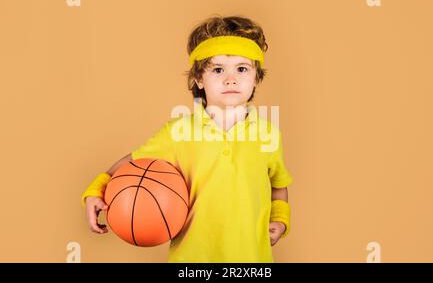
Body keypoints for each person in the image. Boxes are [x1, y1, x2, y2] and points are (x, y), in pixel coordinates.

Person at [81, 16, 293, 262]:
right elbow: (130, 162)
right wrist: (95, 190)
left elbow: (278, 186)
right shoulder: (177, 132)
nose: (230, 78)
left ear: (256, 77)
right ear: (199, 79)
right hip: (191, 260)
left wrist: (280, 220)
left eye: (242, 69)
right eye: (217, 69)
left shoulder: (269, 134)